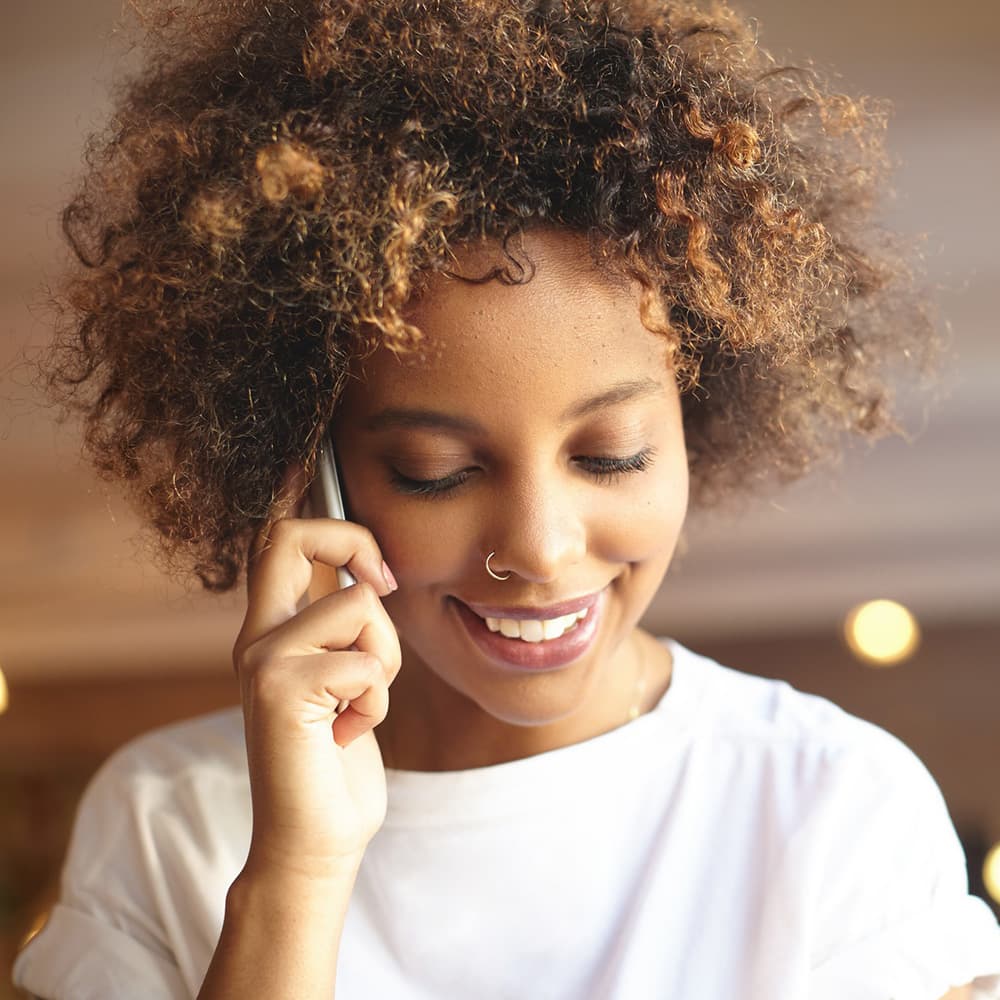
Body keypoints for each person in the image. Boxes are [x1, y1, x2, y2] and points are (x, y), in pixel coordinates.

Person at [13, 1, 1000, 997]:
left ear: (693, 422)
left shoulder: (830, 805)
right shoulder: (168, 818)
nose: (537, 548)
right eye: (436, 470)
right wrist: (296, 874)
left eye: (611, 455)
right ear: (306, 470)